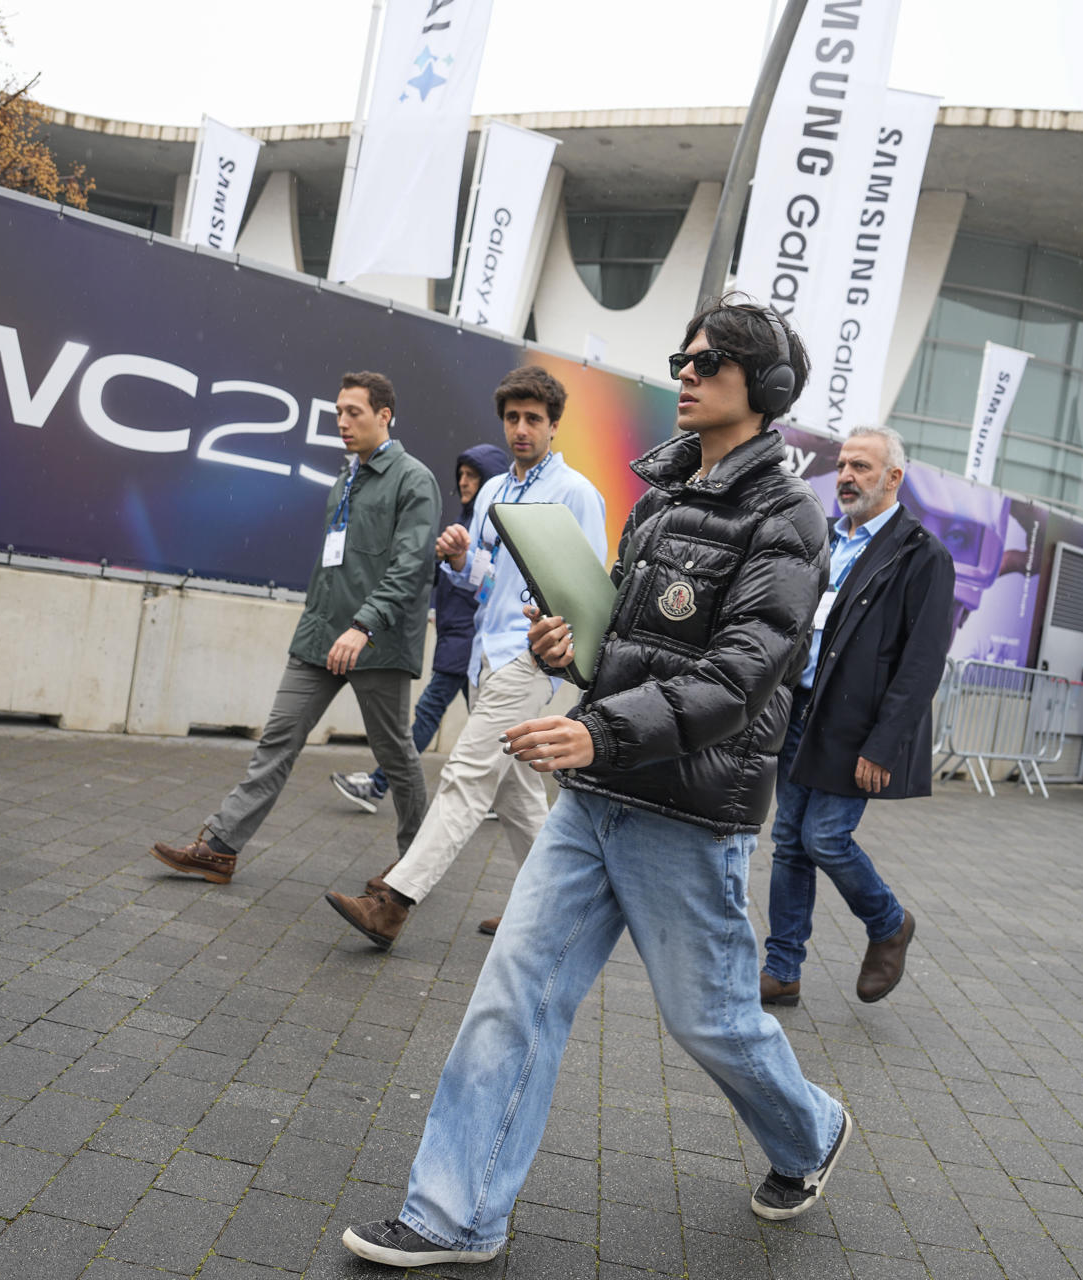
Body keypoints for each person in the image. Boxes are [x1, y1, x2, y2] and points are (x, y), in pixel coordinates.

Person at [341, 298, 851, 1269]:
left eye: (708, 360)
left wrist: (597, 728)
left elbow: (740, 676)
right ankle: (456, 1212)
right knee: (514, 989)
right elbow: (630, 642)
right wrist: (577, 651)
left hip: (685, 811)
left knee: (713, 1022)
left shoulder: (790, 518)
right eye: (683, 356)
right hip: (595, 793)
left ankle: (810, 1130)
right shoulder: (658, 496)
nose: (685, 371)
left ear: (765, 387)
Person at [323, 366, 606, 945]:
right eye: (512, 418)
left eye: (533, 419)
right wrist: (458, 559)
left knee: (466, 777)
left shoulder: (577, 493)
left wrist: (559, 672)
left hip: (533, 660)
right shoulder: (496, 491)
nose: (521, 429)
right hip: (487, 654)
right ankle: (548, 914)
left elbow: (589, 589)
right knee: (518, 794)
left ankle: (394, 902)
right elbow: (485, 578)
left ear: (554, 424)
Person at [148, 372, 438, 884]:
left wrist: (364, 626)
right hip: (320, 637)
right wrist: (321, 626)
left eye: (355, 412)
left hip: (376, 642)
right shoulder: (347, 477)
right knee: (277, 740)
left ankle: (418, 865)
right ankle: (220, 846)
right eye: (339, 413)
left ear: (385, 415)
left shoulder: (413, 479)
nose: (343, 422)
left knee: (395, 754)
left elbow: (410, 565)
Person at [757, 424, 954, 1009]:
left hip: (857, 729)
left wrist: (883, 744)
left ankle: (889, 924)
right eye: (843, 465)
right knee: (790, 842)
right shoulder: (825, 540)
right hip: (801, 714)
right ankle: (783, 970)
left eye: (861, 467)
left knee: (825, 838)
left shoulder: (922, 555)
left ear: (894, 478)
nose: (845, 476)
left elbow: (921, 665)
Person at [331, 443, 508, 812]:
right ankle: (500, 797)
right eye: (460, 474)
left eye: (472, 475)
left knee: (429, 714)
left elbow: (489, 586)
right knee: (490, 727)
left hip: (468, 639)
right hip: (457, 637)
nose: (463, 481)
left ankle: (379, 785)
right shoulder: (463, 524)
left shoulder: (494, 528)